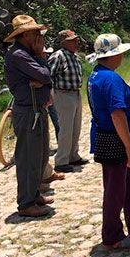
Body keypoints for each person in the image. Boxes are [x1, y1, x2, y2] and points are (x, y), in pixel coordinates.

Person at [87, 33, 130, 249]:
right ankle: (112, 236)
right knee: (115, 189)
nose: (123, 56)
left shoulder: (96, 75)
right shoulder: (111, 79)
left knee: (129, 181)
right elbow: (117, 113)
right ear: (114, 55)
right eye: (120, 53)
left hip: (105, 136)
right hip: (115, 140)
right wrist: (129, 147)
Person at [3, 15, 55, 217]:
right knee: (28, 157)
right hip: (27, 111)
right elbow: (45, 75)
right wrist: (42, 58)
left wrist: (42, 78)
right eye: (35, 33)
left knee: (40, 154)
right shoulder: (19, 55)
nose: (39, 36)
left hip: (37, 108)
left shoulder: (28, 53)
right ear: (25, 35)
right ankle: (26, 203)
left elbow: (45, 79)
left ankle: (33, 195)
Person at [49, 30, 88, 173]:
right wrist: (50, 95)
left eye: (76, 40)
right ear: (64, 42)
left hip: (75, 94)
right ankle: (61, 161)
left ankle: (73, 156)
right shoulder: (58, 56)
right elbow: (49, 76)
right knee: (65, 129)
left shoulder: (75, 57)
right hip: (63, 94)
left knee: (75, 128)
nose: (76, 42)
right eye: (72, 40)